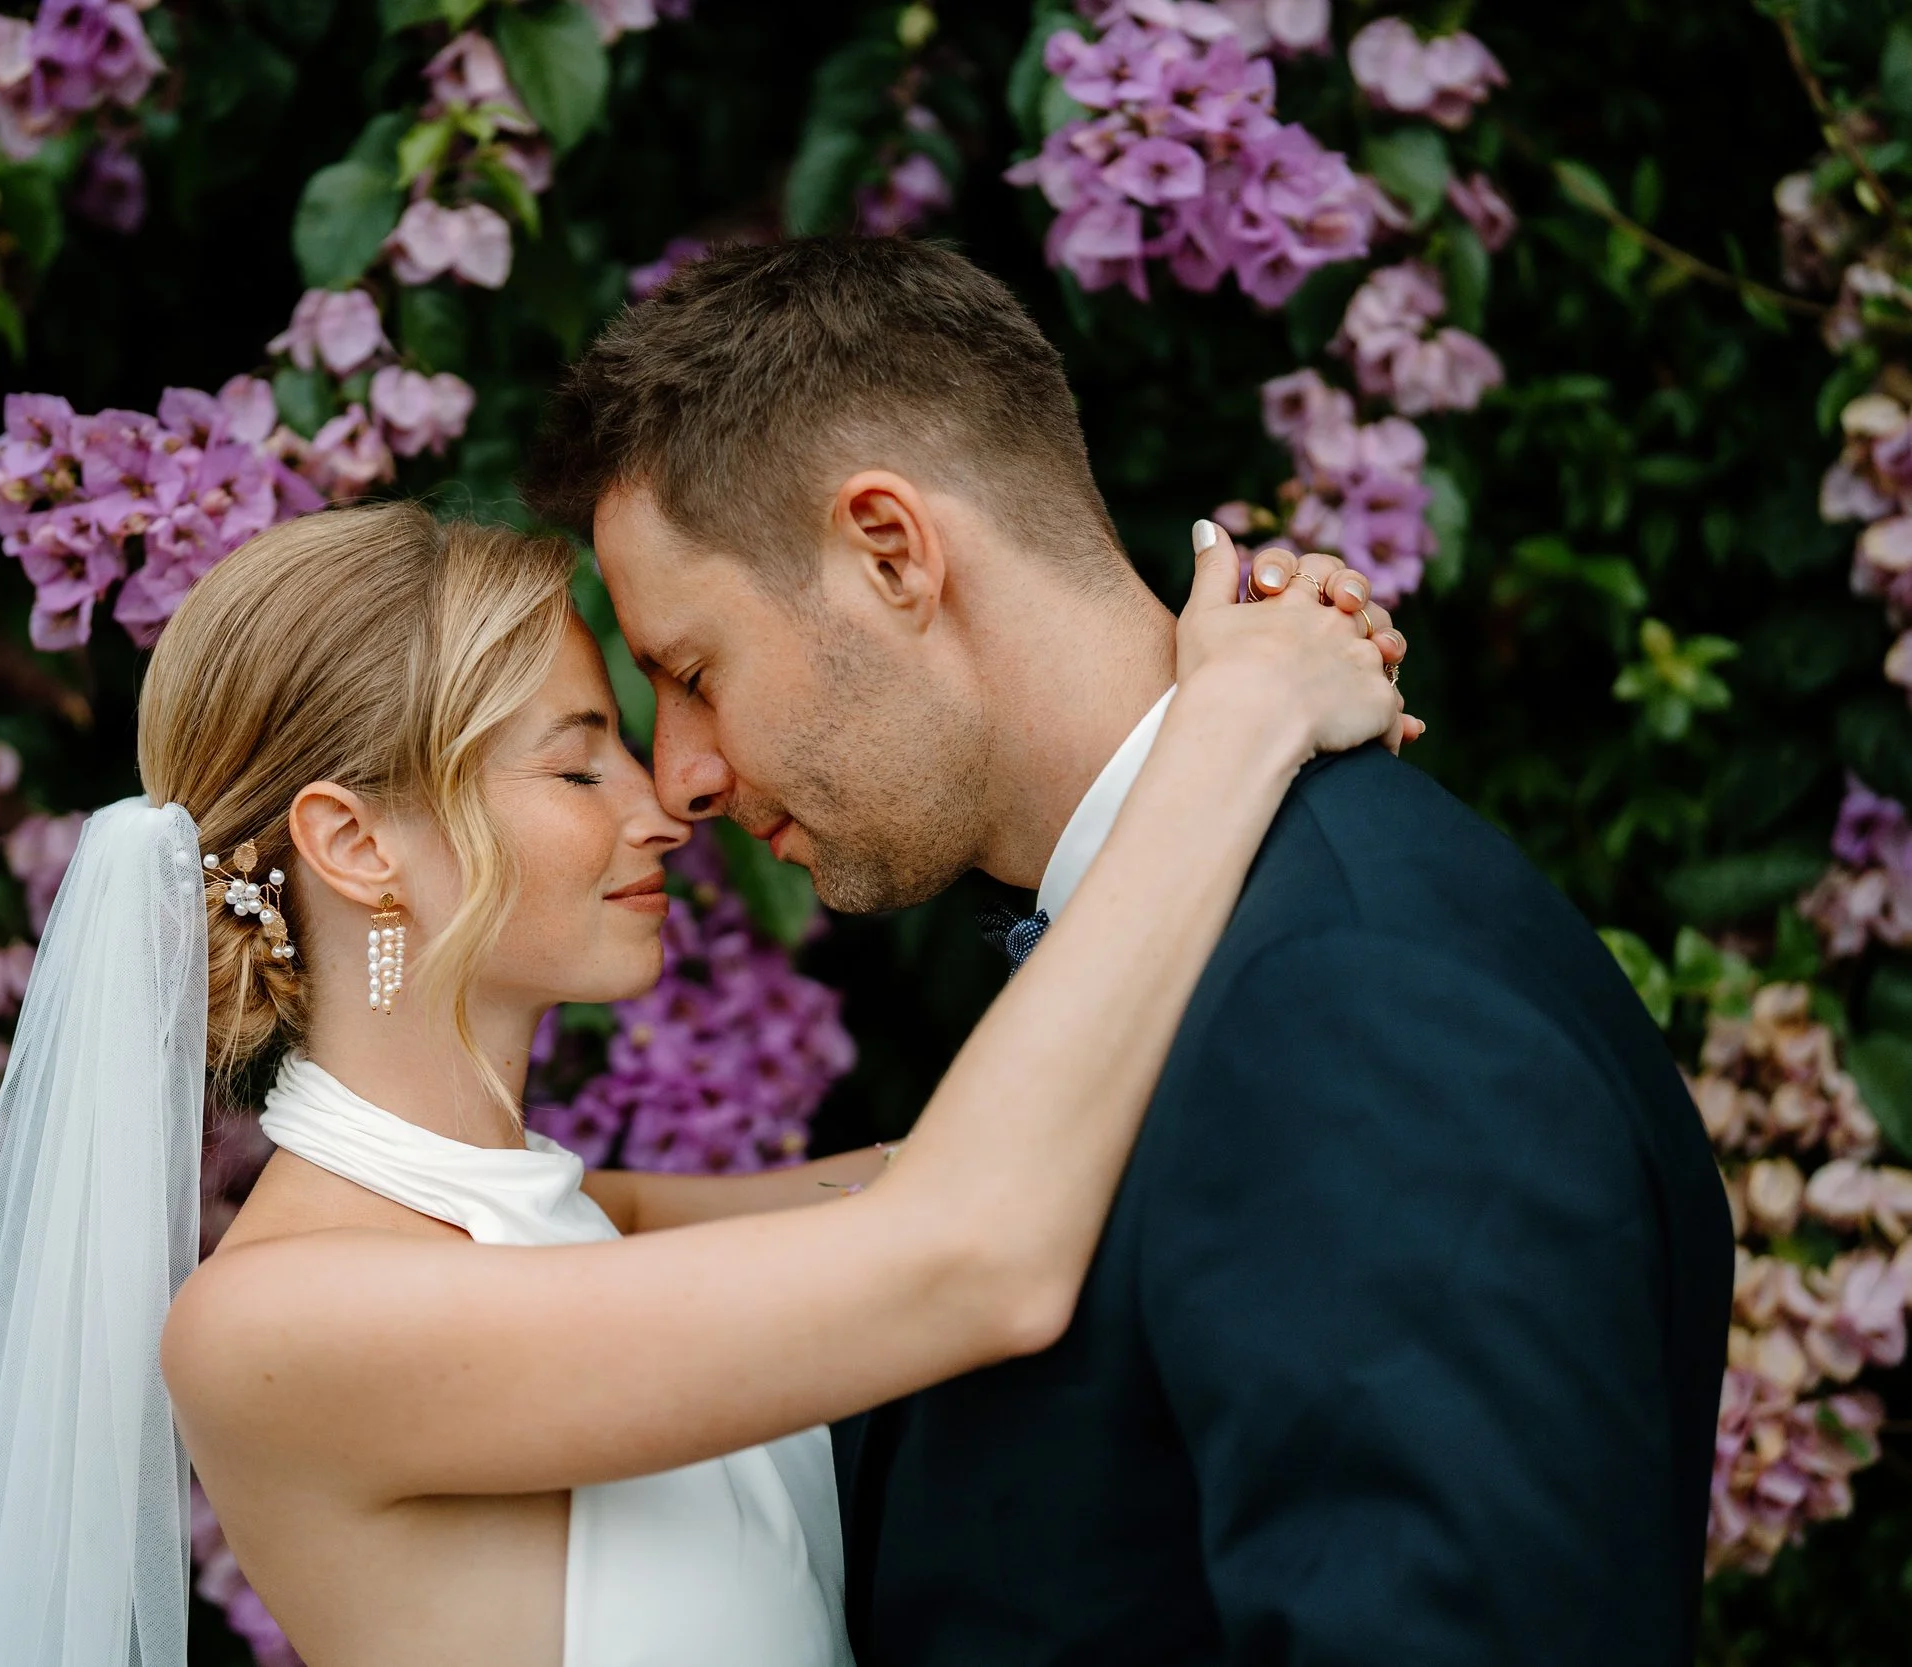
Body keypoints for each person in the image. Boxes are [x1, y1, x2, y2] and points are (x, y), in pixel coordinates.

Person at [0, 492, 1406, 1666]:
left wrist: (1203, 726)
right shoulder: (282, 1321)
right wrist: (1239, 721)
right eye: (577, 760)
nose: (663, 802)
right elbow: (971, 1249)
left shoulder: (574, 1216)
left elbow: (988, 1162)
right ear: (353, 843)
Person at [520, 234, 1735, 1666]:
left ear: (891, 550)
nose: (686, 778)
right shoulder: (1173, 960)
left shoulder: (1350, 999)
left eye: (693, 673)